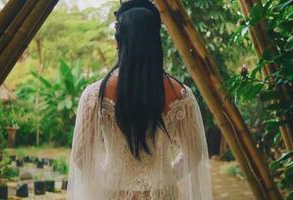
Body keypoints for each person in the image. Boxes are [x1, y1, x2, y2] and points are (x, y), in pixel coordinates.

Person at [67, 0, 212, 199]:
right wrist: (167, 174)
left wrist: (110, 177)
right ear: (155, 41)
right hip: (163, 192)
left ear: (120, 42)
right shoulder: (181, 94)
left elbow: (81, 155)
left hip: (115, 192)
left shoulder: (95, 94)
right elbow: (194, 153)